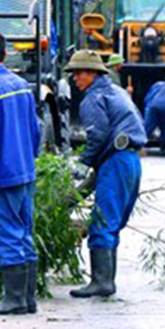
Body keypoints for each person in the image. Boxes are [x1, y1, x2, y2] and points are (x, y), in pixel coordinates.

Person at [64, 51, 146, 298]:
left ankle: (101, 282)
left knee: (103, 220)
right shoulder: (117, 91)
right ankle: (105, 279)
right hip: (129, 159)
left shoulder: (93, 98)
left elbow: (98, 135)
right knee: (113, 221)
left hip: (115, 160)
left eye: (79, 73)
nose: (75, 79)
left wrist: (84, 162)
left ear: (93, 73)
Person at [0, 30, 42, 316]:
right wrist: (29, 157)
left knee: (6, 233)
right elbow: (36, 130)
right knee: (24, 231)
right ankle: (27, 299)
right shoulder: (22, 85)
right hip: (26, 171)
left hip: (2, 175)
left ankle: (13, 300)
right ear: (4, 53)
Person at [143, 79, 165, 145]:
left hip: (154, 106)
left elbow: (148, 98)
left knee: (148, 127)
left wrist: (147, 109)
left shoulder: (158, 84)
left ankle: (137, 144)